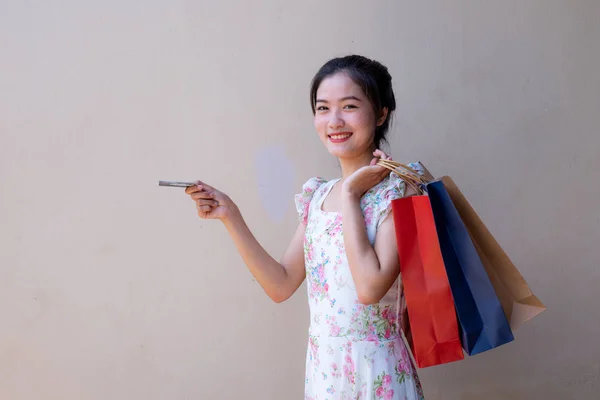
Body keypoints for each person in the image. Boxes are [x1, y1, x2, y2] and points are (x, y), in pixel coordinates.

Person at [185, 55, 424, 400]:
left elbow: (370, 288)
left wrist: (353, 193)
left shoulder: (401, 192)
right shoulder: (319, 196)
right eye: (323, 108)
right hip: (325, 376)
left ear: (382, 113)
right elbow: (281, 285)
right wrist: (230, 215)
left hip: (376, 375)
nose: (334, 121)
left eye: (350, 106)